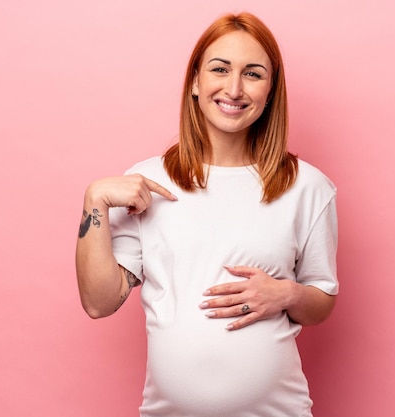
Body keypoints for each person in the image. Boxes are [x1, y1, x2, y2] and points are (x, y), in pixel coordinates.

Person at [76, 12, 338, 417]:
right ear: (196, 82)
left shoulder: (307, 186)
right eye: (220, 69)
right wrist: (94, 199)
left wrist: (287, 294)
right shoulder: (146, 181)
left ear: (270, 91)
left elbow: (322, 299)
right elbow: (99, 302)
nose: (234, 88)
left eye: (253, 74)